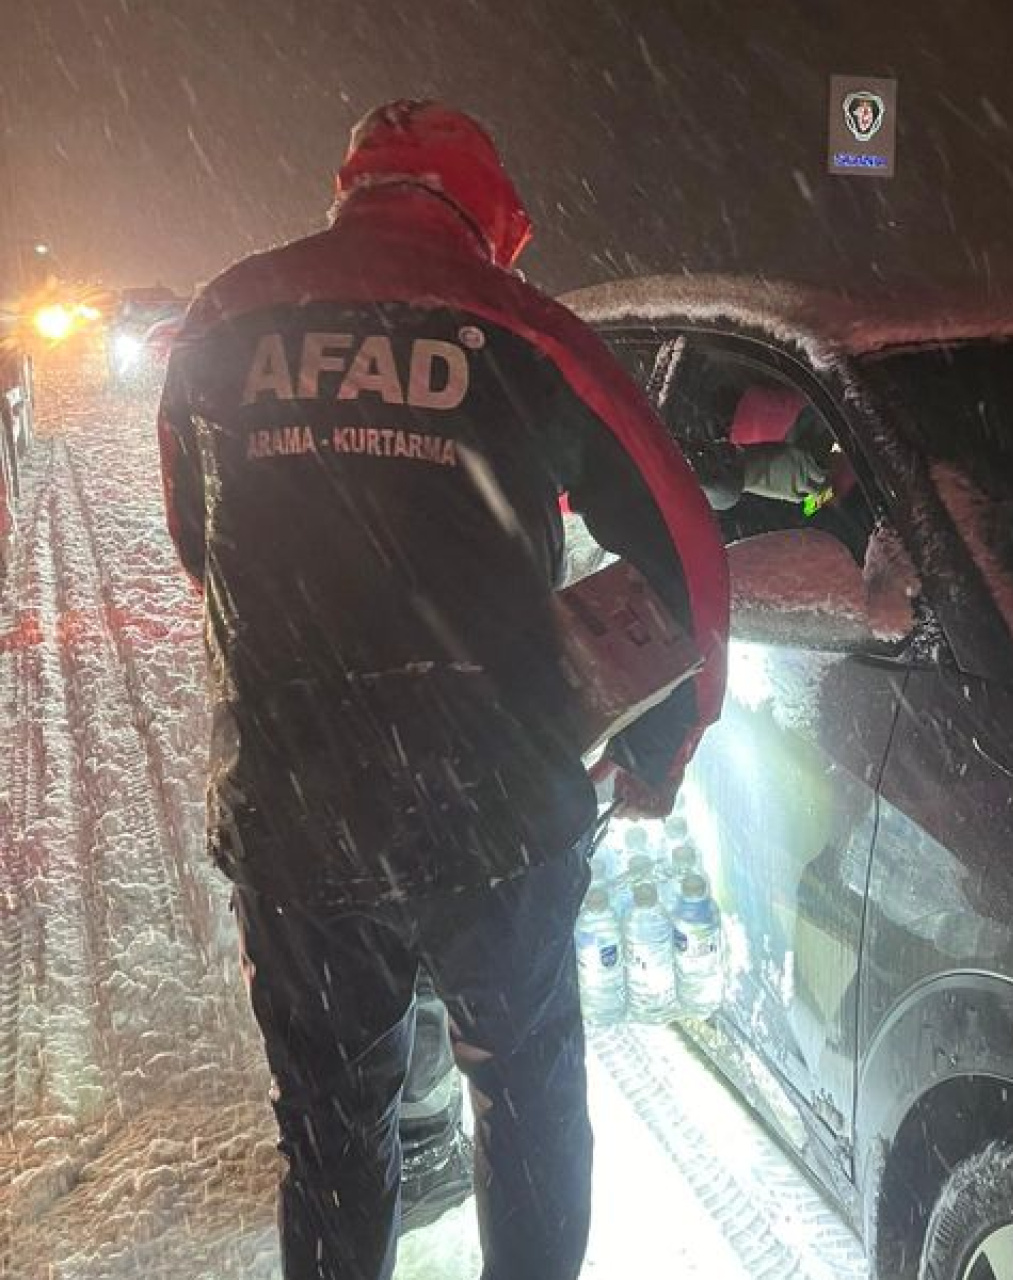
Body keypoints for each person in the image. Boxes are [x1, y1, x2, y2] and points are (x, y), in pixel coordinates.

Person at [158, 98, 728, 1280]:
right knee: (523, 1096)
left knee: (329, 1125)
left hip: (296, 807)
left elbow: (197, 541)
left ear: (353, 187)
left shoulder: (227, 314)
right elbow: (686, 551)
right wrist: (660, 743)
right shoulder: (526, 330)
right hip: (494, 808)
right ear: (488, 215)